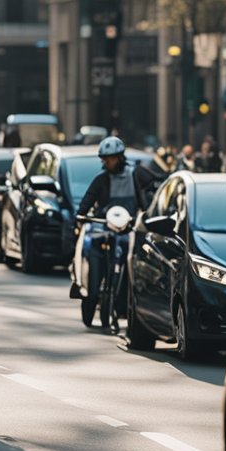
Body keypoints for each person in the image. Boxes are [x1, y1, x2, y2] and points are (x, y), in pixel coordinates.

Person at [73, 136, 160, 333]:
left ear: (120, 157)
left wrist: (147, 210)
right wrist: (80, 217)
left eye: (111, 158)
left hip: (128, 231)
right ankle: (91, 293)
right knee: (93, 257)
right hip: (103, 231)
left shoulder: (136, 174)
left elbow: (156, 183)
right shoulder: (100, 180)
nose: (107, 162)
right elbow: (86, 203)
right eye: (104, 159)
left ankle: (126, 304)